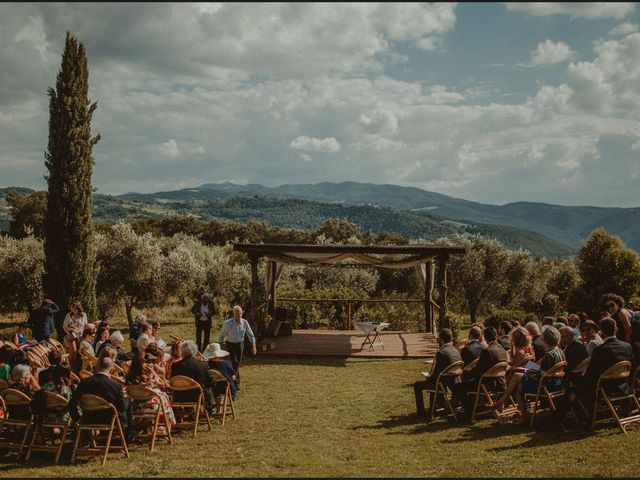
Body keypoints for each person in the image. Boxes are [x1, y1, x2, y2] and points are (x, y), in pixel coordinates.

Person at [492, 326, 565, 423]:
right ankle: (505, 404)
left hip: (546, 386)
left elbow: (541, 375)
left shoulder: (549, 355)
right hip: (557, 384)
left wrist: (529, 373)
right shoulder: (560, 351)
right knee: (517, 379)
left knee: (516, 380)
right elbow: (543, 370)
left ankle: (517, 412)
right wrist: (530, 367)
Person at [573, 317, 634, 426]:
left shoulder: (600, 350)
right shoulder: (627, 346)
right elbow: (631, 367)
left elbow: (591, 373)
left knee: (573, 390)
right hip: (624, 385)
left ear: (601, 331)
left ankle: (584, 420)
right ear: (616, 329)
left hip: (605, 388)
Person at [68, 356, 137, 442]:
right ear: (111, 370)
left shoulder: (85, 382)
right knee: (127, 401)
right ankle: (129, 432)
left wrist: (78, 419)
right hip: (108, 419)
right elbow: (121, 408)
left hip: (89, 418)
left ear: (99, 366)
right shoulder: (115, 386)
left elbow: (72, 403)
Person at [453, 327, 507, 421]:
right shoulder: (501, 348)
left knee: (458, 387)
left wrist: (466, 374)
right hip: (501, 382)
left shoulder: (488, 351)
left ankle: (469, 412)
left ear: (485, 338)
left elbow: (478, 370)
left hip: (487, 384)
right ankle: (477, 407)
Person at [413, 329, 461, 419]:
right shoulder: (456, 351)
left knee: (417, 385)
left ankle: (421, 413)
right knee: (436, 383)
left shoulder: (441, 352)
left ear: (441, 340)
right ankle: (435, 407)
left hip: (443, 383)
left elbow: (436, 375)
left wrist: (428, 377)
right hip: (454, 382)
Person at [169, 340, 215, 411]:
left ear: (182, 352)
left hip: (179, 396)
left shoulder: (176, 365)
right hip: (197, 396)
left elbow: (172, 380)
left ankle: (190, 412)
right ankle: (209, 407)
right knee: (207, 387)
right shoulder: (202, 364)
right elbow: (210, 381)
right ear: (195, 351)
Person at [217, 305, 257, 386]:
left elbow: (250, 334)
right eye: (237, 314)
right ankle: (235, 382)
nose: (239, 316)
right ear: (234, 314)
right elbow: (221, 335)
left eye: (240, 314)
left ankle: (232, 378)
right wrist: (218, 345)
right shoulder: (227, 323)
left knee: (238, 362)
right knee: (235, 362)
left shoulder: (245, 322)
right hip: (230, 344)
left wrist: (253, 346)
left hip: (240, 344)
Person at [62, 301, 88, 373]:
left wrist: (79, 330)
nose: (73, 310)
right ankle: (73, 369)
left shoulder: (83, 315)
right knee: (73, 352)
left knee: (80, 352)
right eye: (72, 308)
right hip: (71, 336)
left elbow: (85, 325)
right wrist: (70, 329)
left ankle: (80, 368)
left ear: (79, 309)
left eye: (75, 309)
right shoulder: (68, 315)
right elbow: (64, 326)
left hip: (80, 335)